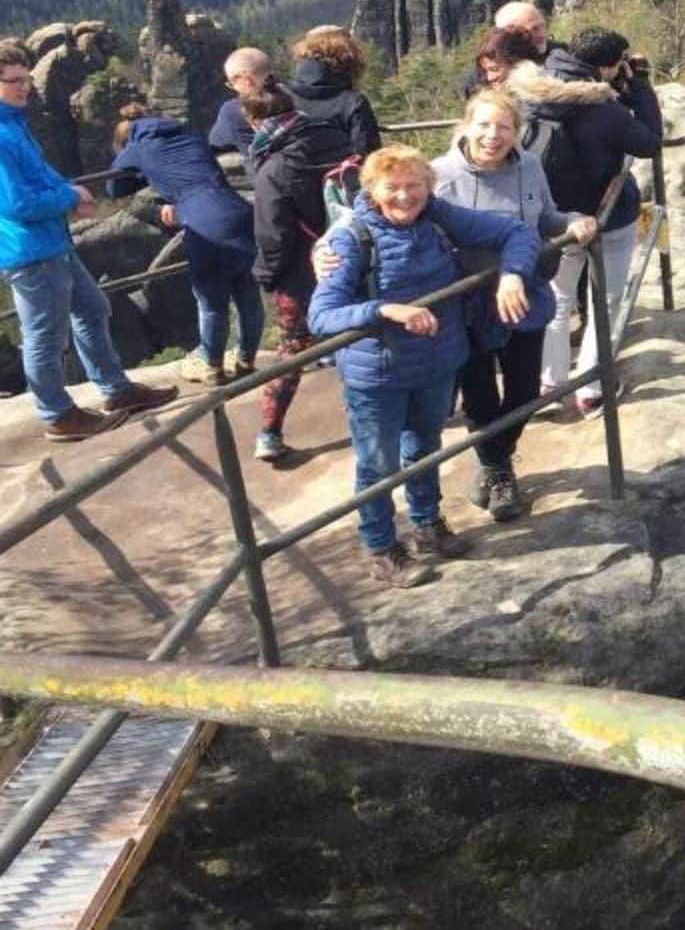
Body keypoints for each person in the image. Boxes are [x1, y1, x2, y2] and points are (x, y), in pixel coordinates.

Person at [308, 144, 541, 588]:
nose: (404, 196)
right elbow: (320, 316)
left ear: (429, 187)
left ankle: (428, 525)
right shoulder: (350, 239)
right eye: (392, 187)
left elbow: (516, 232)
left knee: (424, 450)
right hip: (379, 375)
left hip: (437, 363)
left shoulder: (436, 216)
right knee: (378, 465)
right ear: (371, 189)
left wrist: (513, 273)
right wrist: (384, 310)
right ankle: (381, 548)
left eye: (413, 185)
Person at [0, 40, 176, 442]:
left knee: (93, 308)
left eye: (26, 79)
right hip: (27, 250)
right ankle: (58, 415)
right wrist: (67, 198)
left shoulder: (5, 123)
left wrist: (69, 192)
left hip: (47, 240)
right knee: (45, 337)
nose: (24, 87)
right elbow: (17, 204)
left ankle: (117, 390)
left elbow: (37, 175)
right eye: (14, 81)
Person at [431, 90, 598, 521]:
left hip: (525, 292)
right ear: (466, 126)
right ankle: (501, 474)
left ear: (517, 132)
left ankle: (494, 462)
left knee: (524, 391)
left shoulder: (528, 167)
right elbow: (392, 210)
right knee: (480, 394)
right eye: (484, 125)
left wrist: (573, 220)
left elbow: (545, 217)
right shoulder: (440, 175)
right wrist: (332, 246)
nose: (493, 135)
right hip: (468, 302)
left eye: (504, 127)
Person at [507, 27, 662, 417]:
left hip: (554, 219)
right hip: (604, 217)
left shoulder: (529, 92)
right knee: (606, 301)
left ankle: (549, 383)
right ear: (608, 66)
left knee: (557, 300)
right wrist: (639, 86)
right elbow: (649, 142)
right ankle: (591, 388)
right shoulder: (603, 110)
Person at [109, 104, 264, 387]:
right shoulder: (189, 133)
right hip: (239, 212)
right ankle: (246, 360)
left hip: (203, 222)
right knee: (248, 295)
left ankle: (212, 365)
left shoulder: (136, 147)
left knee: (212, 302)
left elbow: (114, 188)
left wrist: (147, 173)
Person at [246, 82, 349, 462]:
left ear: (256, 121)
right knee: (360, 333)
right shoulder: (337, 141)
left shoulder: (274, 167)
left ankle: (269, 433)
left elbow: (273, 234)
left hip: (300, 273)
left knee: (292, 349)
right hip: (350, 257)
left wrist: (267, 275)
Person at [284, 28, 380, 158]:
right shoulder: (353, 102)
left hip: (288, 169)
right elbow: (367, 156)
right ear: (350, 59)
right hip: (340, 170)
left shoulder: (282, 97)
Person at [208, 47, 272, 158]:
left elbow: (254, 157)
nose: (233, 89)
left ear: (246, 80)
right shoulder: (293, 98)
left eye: (232, 83)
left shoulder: (235, 110)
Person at [472, 26, 542, 94]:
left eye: (494, 69)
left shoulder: (538, 99)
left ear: (518, 64)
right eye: (485, 71)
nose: (489, 77)